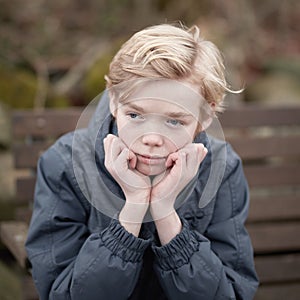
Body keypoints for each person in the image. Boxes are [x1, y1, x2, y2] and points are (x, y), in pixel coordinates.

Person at [25, 24, 259, 299]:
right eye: (135, 115)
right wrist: (132, 212)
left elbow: (233, 292)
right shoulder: (64, 163)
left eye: (174, 120)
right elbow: (60, 293)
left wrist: (166, 215)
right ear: (114, 100)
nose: (151, 138)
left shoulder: (222, 166)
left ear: (205, 118)